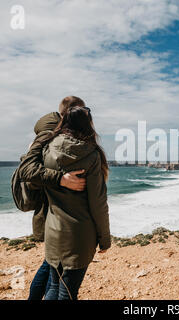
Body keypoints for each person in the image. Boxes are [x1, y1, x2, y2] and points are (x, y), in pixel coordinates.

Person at [18, 96, 88, 300]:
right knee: (57, 282)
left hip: (51, 215)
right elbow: (28, 172)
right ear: (71, 113)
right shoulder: (52, 134)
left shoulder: (54, 133)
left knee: (50, 269)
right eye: (83, 111)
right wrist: (62, 179)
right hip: (55, 216)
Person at [40, 105, 111, 300]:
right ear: (88, 125)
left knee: (54, 287)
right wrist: (105, 239)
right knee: (68, 292)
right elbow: (98, 204)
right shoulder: (92, 155)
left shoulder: (47, 149)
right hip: (79, 236)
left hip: (53, 232)